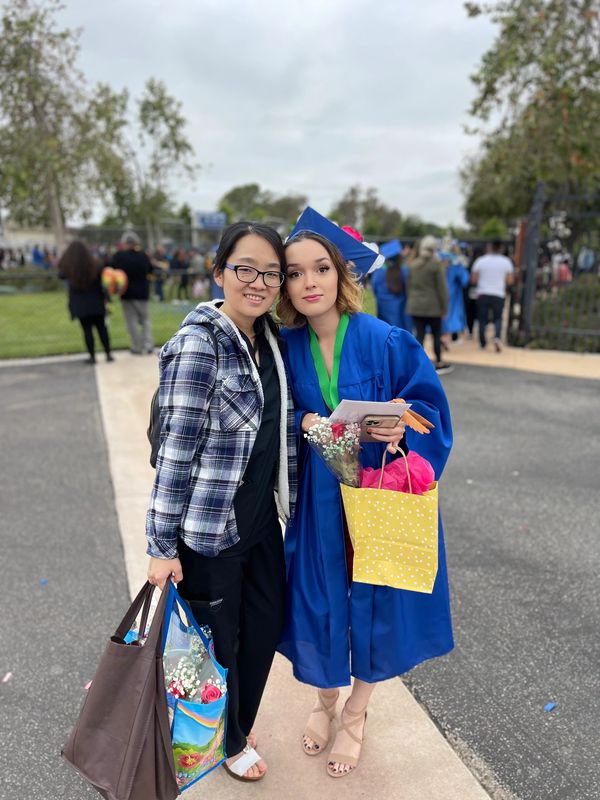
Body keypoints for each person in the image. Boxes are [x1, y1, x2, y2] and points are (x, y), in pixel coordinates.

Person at [276, 226, 453, 779]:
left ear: (341, 273)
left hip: (376, 494)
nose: (310, 282)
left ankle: (356, 712)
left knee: (376, 600)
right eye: (295, 272)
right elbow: (267, 414)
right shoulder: (284, 348)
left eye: (321, 268)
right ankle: (325, 699)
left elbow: (432, 412)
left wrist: (397, 425)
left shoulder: (385, 340)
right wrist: (301, 420)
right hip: (319, 502)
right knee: (318, 598)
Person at [146, 221, 297, 782]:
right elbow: (175, 452)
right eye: (245, 269)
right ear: (219, 273)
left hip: (261, 522)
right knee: (217, 641)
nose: (258, 282)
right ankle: (228, 740)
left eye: (270, 273)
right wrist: (161, 546)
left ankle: (236, 720)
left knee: (265, 624)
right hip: (209, 529)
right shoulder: (197, 344)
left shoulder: (270, 341)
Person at [57, 240, 113, 364]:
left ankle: (92, 356)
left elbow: (60, 275)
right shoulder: (95, 264)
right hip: (96, 301)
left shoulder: (69, 268)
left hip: (80, 303)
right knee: (102, 328)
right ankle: (108, 354)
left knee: (87, 330)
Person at [405, 235, 451, 374]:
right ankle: (438, 361)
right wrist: (444, 307)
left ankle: (417, 363)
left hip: (415, 305)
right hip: (433, 307)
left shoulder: (412, 265)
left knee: (420, 335)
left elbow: (409, 285)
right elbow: (442, 288)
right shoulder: (436, 265)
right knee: (436, 335)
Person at [112, 231, 154, 354]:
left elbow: (112, 271)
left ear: (125, 243)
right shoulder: (143, 256)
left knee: (132, 321)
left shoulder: (119, 256)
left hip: (126, 293)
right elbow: (150, 270)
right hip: (142, 293)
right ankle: (148, 344)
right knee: (145, 319)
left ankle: (137, 346)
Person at [471, 240, 514, 352]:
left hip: (483, 292)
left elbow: (473, 279)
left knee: (482, 319)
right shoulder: (506, 262)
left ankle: (482, 342)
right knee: (498, 318)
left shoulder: (480, 261)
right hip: (498, 293)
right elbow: (510, 281)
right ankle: (497, 338)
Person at [370, 255, 410, 330]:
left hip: (383, 305)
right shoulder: (404, 270)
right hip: (401, 305)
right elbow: (408, 287)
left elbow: (374, 287)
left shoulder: (379, 272)